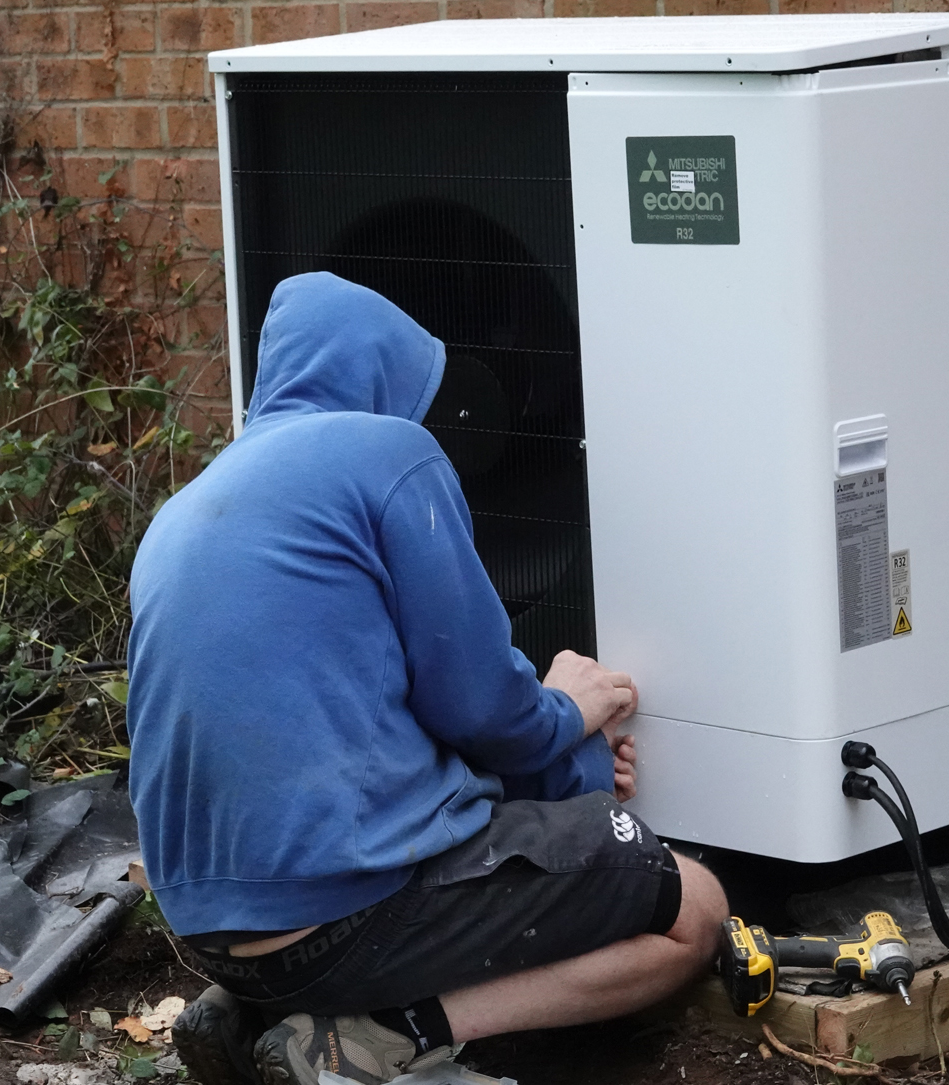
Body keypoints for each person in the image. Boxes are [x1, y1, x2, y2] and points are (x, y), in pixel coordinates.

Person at [126, 272, 728, 1085]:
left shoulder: (191, 505)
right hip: (342, 919)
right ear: (385, 375)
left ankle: (257, 1017)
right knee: (695, 908)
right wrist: (569, 709)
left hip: (208, 932)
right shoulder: (387, 452)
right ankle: (387, 1031)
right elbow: (482, 708)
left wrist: (573, 770)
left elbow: (372, 731)